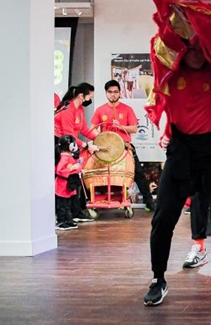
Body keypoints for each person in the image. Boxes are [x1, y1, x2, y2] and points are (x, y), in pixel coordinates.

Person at [143, 46, 211, 308]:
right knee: (163, 219)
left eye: (203, 47)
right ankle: (158, 280)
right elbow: (159, 48)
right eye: (191, 49)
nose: (197, 54)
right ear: (182, 51)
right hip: (181, 151)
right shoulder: (170, 74)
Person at [90, 80, 156, 211]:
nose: (113, 95)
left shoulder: (127, 109)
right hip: (106, 149)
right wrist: (99, 140)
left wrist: (121, 127)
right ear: (106, 93)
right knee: (97, 171)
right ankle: (95, 200)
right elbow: (92, 128)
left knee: (137, 172)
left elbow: (134, 128)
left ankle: (148, 201)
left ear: (120, 93)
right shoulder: (100, 110)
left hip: (124, 146)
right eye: (110, 92)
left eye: (115, 92)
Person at [54, 83, 99, 222]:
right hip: (61, 145)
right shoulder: (68, 109)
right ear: (81, 96)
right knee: (66, 181)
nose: (90, 100)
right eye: (89, 97)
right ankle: (63, 216)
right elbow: (69, 136)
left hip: (71, 145)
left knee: (75, 179)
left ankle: (75, 212)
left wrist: (100, 138)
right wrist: (86, 145)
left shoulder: (80, 109)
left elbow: (84, 129)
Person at [55, 135, 83, 230]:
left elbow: (75, 166)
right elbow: (59, 170)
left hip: (69, 183)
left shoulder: (69, 157)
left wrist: (78, 168)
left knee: (68, 204)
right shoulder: (64, 158)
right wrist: (71, 169)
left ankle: (68, 219)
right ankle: (61, 221)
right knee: (62, 204)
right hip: (63, 184)